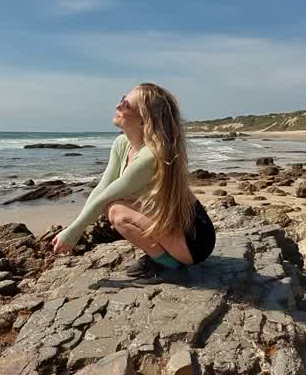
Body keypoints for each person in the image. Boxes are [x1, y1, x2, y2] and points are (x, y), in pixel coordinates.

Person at [51, 82, 216, 284]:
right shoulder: (121, 144)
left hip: (195, 238)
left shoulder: (151, 155)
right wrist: (73, 229)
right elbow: (102, 187)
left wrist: (73, 233)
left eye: (126, 105)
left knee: (116, 211)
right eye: (122, 100)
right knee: (113, 206)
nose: (118, 106)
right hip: (175, 229)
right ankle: (161, 258)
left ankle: (171, 267)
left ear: (144, 119)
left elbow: (106, 197)